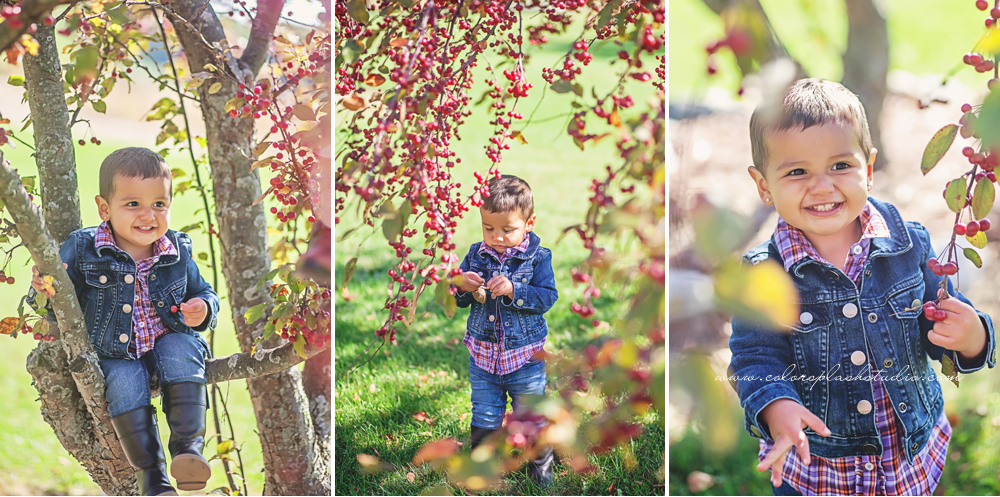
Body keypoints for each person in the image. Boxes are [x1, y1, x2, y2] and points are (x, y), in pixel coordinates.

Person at [729, 78, 996, 496]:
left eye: (840, 166)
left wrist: (971, 337)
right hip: (818, 470)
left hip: (908, 458)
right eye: (797, 171)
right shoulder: (764, 275)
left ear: (868, 170)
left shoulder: (908, 245)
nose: (822, 186)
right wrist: (776, 405)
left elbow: (939, 323)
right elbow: (754, 356)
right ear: (764, 185)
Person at [28, 147, 219, 496]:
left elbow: (204, 291)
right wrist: (43, 290)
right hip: (115, 353)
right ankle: (152, 476)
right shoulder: (84, 248)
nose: (148, 216)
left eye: (159, 204)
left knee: (183, 348)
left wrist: (203, 308)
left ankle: (189, 450)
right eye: (133, 204)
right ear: (105, 209)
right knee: (123, 384)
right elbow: (54, 310)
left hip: (167, 341)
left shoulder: (175, 249)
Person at [453, 174, 559, 484]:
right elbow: (457, 298)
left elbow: (547, 297)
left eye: (507, 229)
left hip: (525, 357)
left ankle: (541, 470)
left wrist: (514, 290)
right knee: (485, 415)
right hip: (484, 356)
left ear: (530, 222)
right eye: (489, 228)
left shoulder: (538, 258)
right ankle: (481, 471)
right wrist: (461, 285)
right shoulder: (475, 254)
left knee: (530, 418)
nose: (497, 236)